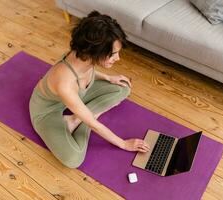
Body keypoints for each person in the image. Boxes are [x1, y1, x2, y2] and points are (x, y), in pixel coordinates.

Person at [29, 11, 150, 168]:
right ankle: (77, 119)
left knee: (122, 88)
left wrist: (108, 78)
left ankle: (78, 117)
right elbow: (94, 124)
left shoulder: (84, 55)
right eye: (113, 54)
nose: (118, 58)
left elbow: (87, 71)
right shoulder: (64, 82)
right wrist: (124, 144)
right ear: (96, 52)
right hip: (47, 112)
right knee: (73, 159)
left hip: (75, 95)